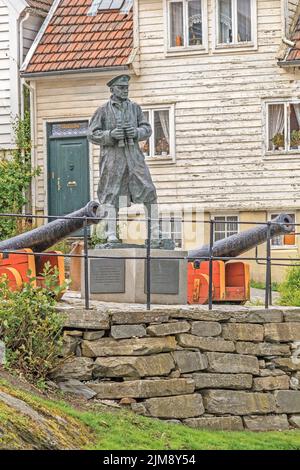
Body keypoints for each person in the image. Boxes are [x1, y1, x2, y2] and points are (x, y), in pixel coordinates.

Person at [88, 75, 159, 244]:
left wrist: (137, 132)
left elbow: (146, 128)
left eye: (126, 87)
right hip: (113, 159)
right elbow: (91, 133)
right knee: (111, 194)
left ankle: (155, 232)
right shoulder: (103, 110)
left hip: (134, 157)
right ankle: (111, 233)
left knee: (149, 190)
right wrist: (109, 135)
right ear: (112, 90)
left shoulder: (135, 108)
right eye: (121, 87)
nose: (125, 90)